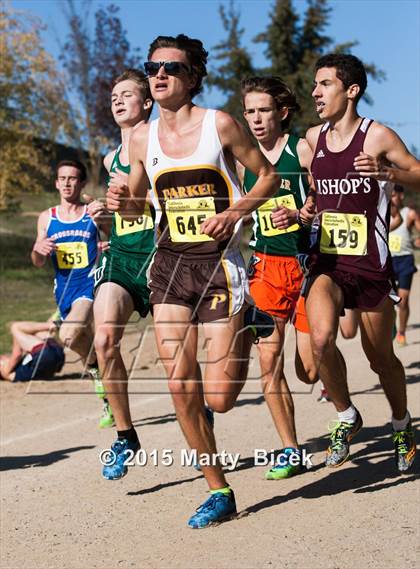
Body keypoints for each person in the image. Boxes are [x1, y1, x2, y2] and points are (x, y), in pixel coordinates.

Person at [107, 34, 277, 528]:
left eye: (171, 69)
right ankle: (218, 489)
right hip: (170, 269)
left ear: (193, 78)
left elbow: (267, 177)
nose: (159, 75)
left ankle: (250, 320)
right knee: (181, 384)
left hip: (221, 268)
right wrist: (121, 203)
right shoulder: (142, 138)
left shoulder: (219, 125)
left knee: (219, 397)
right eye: (153, 67)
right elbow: (140, 200)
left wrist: (234, 214)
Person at [273, 53, 419, 472]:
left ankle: (400, 423)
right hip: (328, 260)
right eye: (315, 85)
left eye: (325, 84)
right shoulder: (313, 139)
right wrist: (302, 213)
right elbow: (318, 197)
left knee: (381, 359)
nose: (316, 92)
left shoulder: (378, 137)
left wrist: (386, 173)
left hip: (370, 262)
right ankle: (346, 415)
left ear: (351, 90)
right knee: (319, 342)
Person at [241, 76, 319, 479]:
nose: (255, 118)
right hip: (266, 267)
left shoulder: (300, 149)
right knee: (268, 360)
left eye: (263, 110)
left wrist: (304, 212)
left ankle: (325, 375)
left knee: (308, 368)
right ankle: (291, 449)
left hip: (308, 267)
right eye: (249, 111)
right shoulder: (243, 159)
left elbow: (329, 192)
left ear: (282, 112)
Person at [89, 69, 155, 478]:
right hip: (123, 253)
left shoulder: (164, 143)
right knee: (104, 338)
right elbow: (118, 213)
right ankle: (125, 434)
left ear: (146, 102)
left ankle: (199, 407)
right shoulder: (109, 157)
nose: (117, 101)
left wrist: (132, 199)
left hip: (164, 252)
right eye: (114, 95)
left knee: (180, 351)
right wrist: (102, 214)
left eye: (127, 94)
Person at [31, 160, 112, 428]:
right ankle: (101, 378)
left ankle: (98, 371)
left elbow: (113, 236)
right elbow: (37, 261)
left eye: (72, 178)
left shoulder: (91, 212)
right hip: (63, 291)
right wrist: (38, 250)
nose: (67, 183)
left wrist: (107, 240)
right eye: (62, 178)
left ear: (82, 183)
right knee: (82, 340)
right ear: (56, 183)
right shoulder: (47, 217)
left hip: (89, 286)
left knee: (67, 334)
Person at [389, 185, 419, 346]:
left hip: (405, 260)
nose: (392, 197)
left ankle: (401, 332)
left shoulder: (410, 213)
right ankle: (391, 321)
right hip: (388, 260)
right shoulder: (384, 211)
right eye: (390, 195)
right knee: (388, 300)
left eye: (394, 194)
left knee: (403, 300)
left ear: (400, 195)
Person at [0, 320, 64, 382]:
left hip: (53, 357)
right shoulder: (4, 370)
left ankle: (53, 324)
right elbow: (17, 354)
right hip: (48, 356)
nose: (4, 355)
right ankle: (54, 324)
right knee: (15, 327)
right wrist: (16, 335)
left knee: (32, 331)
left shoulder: (21, 367)